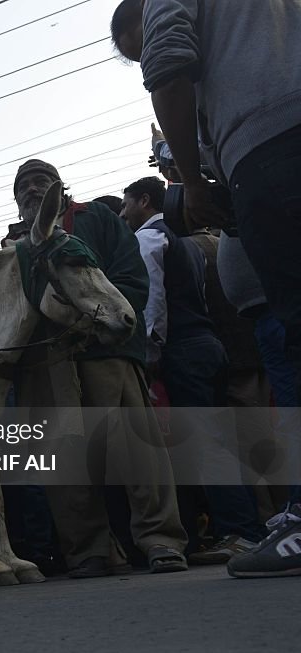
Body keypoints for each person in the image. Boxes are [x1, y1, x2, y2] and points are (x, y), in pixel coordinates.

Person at [112, 0, 301, 576]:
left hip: (271, 148)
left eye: (135, 47)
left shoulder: (153, 235)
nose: (142, 58)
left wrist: (194, 180)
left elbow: (169, 63)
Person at [12, 159, 189, 577]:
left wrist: (97, 325)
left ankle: (161, 540)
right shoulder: (18, 249)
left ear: (59, 188)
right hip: (51, 362)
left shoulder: (96, 218)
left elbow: (131, 278)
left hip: (105, 351)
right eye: (23, 187)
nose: (32, 191)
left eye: (41, 182)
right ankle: (89, 550)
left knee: (136, 451)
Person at [121, 176, 264, 561]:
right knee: (221, 440)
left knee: (205, 444)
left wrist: (151, 351)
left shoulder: (148, 239)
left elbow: (154, 301)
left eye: (127, 204)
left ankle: (240, 532)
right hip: (208, 345)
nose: (123, 212)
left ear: (145, 201)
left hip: (182, 349)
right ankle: (246, 527)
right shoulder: (185, 241)